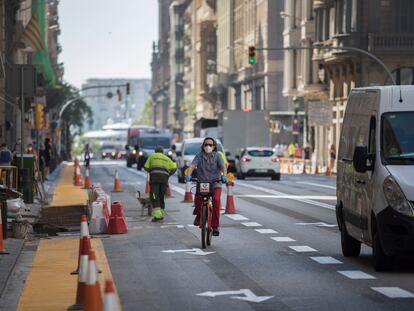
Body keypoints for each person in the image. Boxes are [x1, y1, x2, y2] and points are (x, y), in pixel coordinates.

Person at [184, 137, 227, 236]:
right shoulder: (199, 156)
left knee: (216, 200)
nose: (208, 146)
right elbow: (192, 166)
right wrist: (188, 175)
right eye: (206, 144)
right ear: (203, 146)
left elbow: (223, 167)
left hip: (215, 183)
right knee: (198, 198)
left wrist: (224, 176)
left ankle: (215, 226)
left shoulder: (217, 156)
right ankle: (199, 215)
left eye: (210, 145)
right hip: (202, 182)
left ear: (214, 146)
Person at [144, 145, 177, 222]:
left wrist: (151, 171)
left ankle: (157, 216)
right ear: (162, 152)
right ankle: (161, 214)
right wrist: (168, 175)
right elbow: (174, 168)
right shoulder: (166, 158)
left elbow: (145, 166)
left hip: (154, 179)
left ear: (155, 151)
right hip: (164, 180)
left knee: (154, 196)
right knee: (162, 196)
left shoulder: (152, 156)